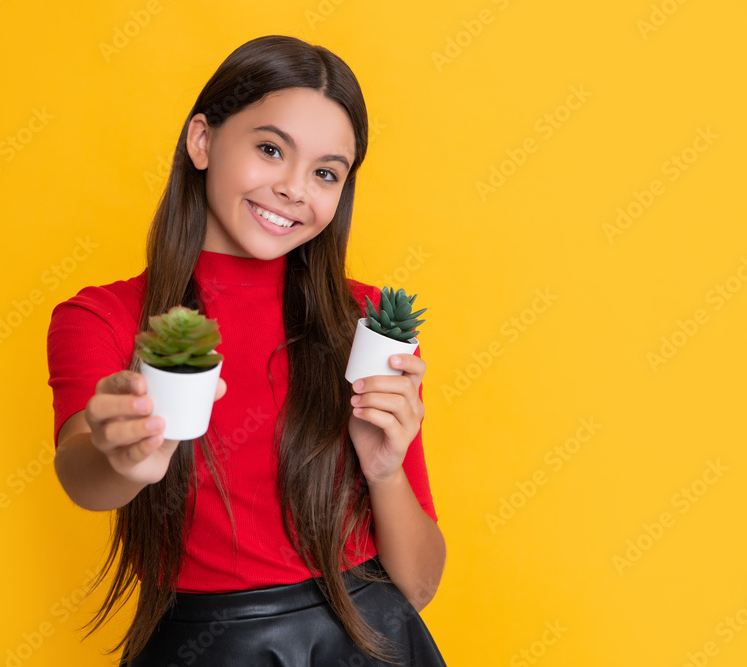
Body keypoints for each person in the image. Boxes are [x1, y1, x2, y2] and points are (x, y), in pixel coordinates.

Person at [47, 34, 447, 666]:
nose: (294, 188)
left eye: (324, 173)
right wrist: (125, 455)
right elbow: (81, 476)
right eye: (269, 150)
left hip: (376, 641)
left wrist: (384, 468)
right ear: (202, 140)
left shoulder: (367, 322)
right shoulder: (103, 317)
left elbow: (418, 587)